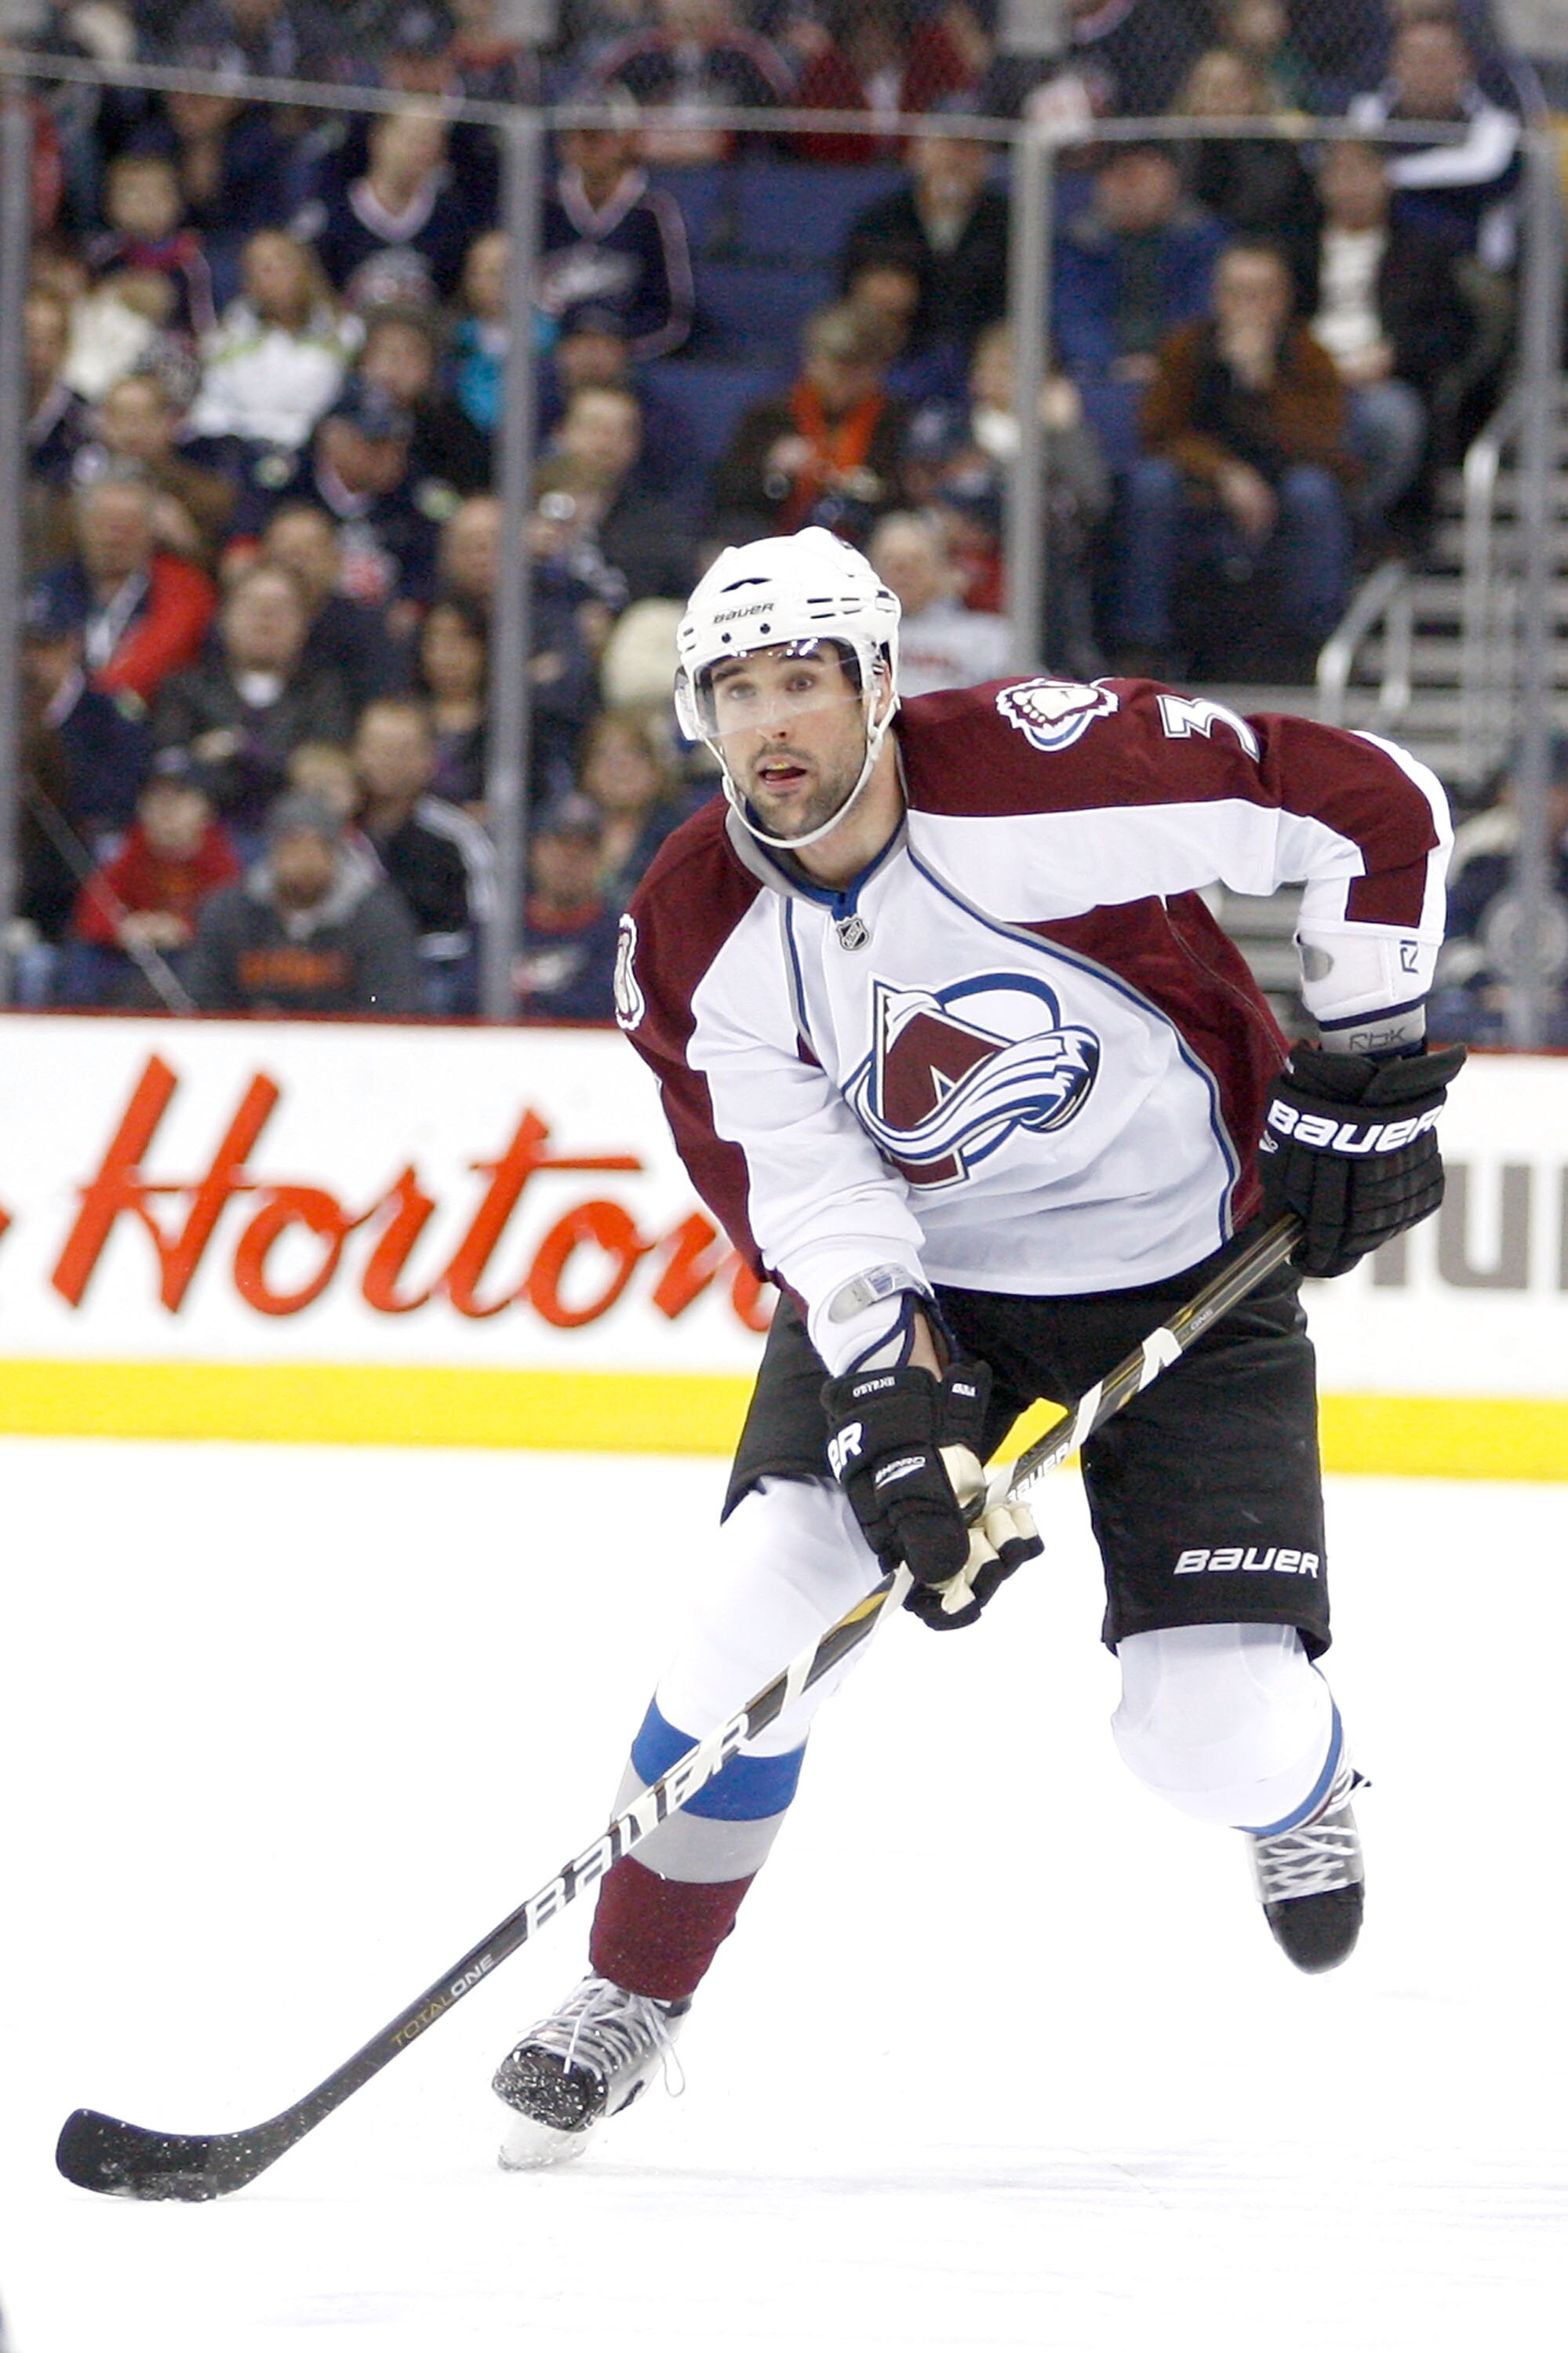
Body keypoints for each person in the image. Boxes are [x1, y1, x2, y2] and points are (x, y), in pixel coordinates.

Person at [489, 523, 1463, 2168]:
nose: (774, 721)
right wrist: (895, 1397)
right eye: (738, 690)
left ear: (880, 682)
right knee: (748, 1614)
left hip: (1181, 1272)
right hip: (936, 1288)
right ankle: (634, 1992)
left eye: (806, 678)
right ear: (695, 717)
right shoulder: (691, 934)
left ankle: (1305, 1798)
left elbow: (1371, 802)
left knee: (1200, 1733)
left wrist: (1358, 1062)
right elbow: (803, 1195)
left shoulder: (1026, 774)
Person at [1118, 241, 1354, 671]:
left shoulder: (1310, 355)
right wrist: (1226, 473)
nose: (1249, 307)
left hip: (1285, 481)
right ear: (1217, 297)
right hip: (1201, 482)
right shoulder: (1185, 348)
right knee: (1150, 484)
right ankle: (1143, 642)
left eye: (1262, 293)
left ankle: (1316, 644)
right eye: (1237, 293)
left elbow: (1325, 442)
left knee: (1314, 492)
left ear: (1282, 299)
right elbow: (1159, 432)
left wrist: (1260, 384)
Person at [1052, 140, 1228, 475]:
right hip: (1101, 374)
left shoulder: (1202, 238)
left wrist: (1165, 360)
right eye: (1118, 175)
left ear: (1171, 178)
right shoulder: (1078, 241)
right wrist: (1111, 363)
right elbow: (1073, 317)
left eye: (1141, 174)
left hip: (1182, 369)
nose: (1129, 186)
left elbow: (1202, 311)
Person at [153, 558, 352, 837]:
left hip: (297, 843)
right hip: (204, 838)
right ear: (224, 618)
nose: (266, 617)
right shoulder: (186, 688)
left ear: (304, 623)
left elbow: (325, 775)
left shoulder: (323, 691)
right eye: (252, 605)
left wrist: (238, 749)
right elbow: (171, 769)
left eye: (281, 608)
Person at [185, 787, 422, 1016]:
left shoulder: (376, 915)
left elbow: (390, 1002)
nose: (304, 860)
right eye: (292, 846)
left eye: (318, 847)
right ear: (271, 850)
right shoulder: (230, 910)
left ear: (336, 854)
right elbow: (204, 997)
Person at [713, 302, 908, 549]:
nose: (843, 379)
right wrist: (773, 471)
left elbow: (906, 496)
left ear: (877, 370)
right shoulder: (769, 416)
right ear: (811, 361)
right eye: (834, 365)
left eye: (856, 369)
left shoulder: (895, 421)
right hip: (775, 540)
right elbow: (727, 496)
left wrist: (869, 488)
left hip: (862, 545)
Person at [353, 695, 496, 1014]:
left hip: (434, 972)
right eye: (379, 748)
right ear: (359, 753)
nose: (390, 761)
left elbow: (486, 922)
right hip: (353, 974)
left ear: (428, 759)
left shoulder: (457, 836)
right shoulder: (338, 833)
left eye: (403, 751)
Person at [1348, 10, 1521, 268]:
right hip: (1372, 258)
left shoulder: (1496, 125)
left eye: (1438, 59)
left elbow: (1485, 172)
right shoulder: (1364, 113)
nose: (1427, 70)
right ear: (1393, 62)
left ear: (1464, 64)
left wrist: (1385, 178)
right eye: (1415, 58)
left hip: (1465, 265)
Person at [839, 124, 1010, 375]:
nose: (955, 159)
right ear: (915, 152)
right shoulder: (883, 218)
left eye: (969, 149)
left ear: (987, 160)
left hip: (982, 353)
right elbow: (854, 288)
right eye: (946, 147)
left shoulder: (1009, 220)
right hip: (902, 348)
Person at [62, 768, 240, 1007]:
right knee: (85, 955)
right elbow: (92, 911)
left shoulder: (221, 857)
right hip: (134, 952)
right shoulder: (131, 852)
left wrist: (182, 928)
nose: (167, 814)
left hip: (191, 951)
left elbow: (230, 919)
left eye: (178, 803)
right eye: (157, 803)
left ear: (205, 812)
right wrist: (124, 928)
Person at [41, 471, 217, 708]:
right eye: (103, 524)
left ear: (152, 531)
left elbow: (162, 657)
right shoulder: (48, 590)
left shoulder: (184, 590)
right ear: (80, 526)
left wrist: (89, 698)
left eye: (128, 527)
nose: (114, 538)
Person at [540, 117, 695, 364]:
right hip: (553, 348)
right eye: (581, 137)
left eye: (601, 136)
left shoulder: (654, 209)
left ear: (628, 140)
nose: (591, 147)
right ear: (563, 145)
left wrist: (620, 348)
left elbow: (671, 313)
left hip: (626, 352)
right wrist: (555, 344)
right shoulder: (542, 201)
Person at [190, 230, 353, 454]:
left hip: (319, 453)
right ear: (247, 281)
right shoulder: (224, 340)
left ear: (307, 269)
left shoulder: (346, 333)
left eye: (282, 261)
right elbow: (211, 412)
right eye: (262, 267)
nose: (273, 273)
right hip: (243, 452)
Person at [865, 508, 1012, 694]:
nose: (903, 573)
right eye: (891, 562)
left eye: (915, 562)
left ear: (942, 569)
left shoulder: (990, 638)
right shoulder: (853, 637)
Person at [512, 792, 621, 1021]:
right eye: (559, 845)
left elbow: (603, 1005)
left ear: (601, 859)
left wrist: (526, 991)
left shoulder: (621, 933)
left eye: (584, 849)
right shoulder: (500, 926)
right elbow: (467, 995)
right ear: (535, 852)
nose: (569, 859)